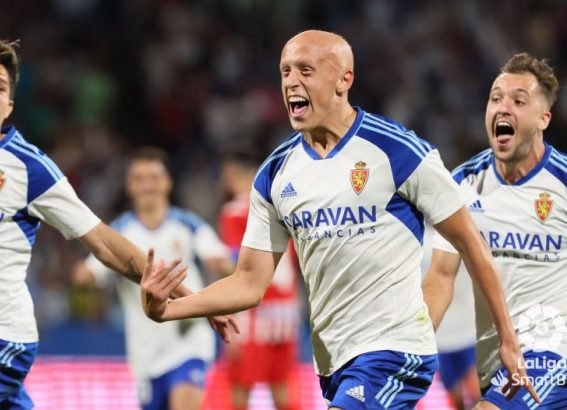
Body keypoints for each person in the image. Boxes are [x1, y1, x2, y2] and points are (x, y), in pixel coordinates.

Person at [140, 30, 538, 409]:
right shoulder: (276, 173)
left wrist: (506, 338)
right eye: (285, 72)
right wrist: (170, 309)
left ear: (344, 79)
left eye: (305, 71)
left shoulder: (398, 150)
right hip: (334, 362)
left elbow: (471, 242)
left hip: (394, 349)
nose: (291, 82)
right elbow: (249, 281)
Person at [0, 38, 234, 410]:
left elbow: (103, 242)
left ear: (9, 107)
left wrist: (196, 300)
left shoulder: (30, 170)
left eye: (0, 89)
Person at [424, 53, 567, 409]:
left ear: (543, 118)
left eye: (519, 101)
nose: (503, 107)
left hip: (553, 353)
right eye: (495, 97)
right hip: (493, 363)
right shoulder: (461, 184)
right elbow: (441, 276)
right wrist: (409, 345)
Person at [73, 147, 234, 410]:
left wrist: (225, 265)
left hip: (188, 342)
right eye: (139, 178)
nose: (147, 184)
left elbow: (218, 258)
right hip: (145, 354)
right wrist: (84, 275)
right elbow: (90, 272)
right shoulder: (120, 232)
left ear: (167, 182)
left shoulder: (188, 225)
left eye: (154, 177)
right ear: (129, 186)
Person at [219, 148, 301, 410]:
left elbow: (237, 265)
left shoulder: (234, 210)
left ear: (232, 175)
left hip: (253, 313)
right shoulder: (284, 207)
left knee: (240, 390)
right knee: (283, 390)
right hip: (285, 312)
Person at [422, 225, 479, 410]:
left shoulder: (461, 236)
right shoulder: (422, 242)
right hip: (443, 336)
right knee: (456, 392)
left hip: (465, 332)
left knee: (474, 388)